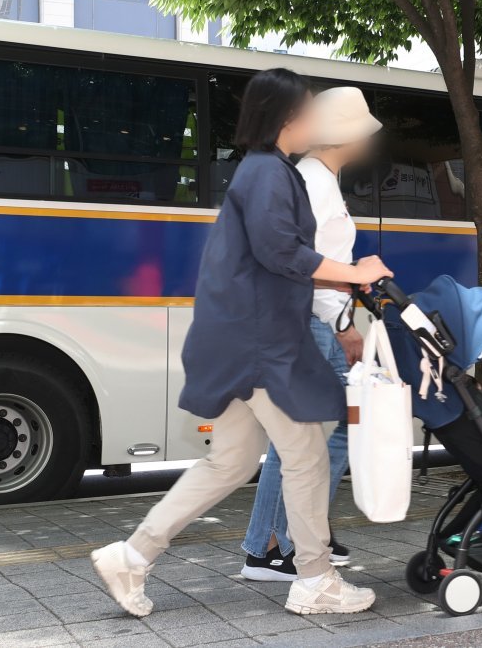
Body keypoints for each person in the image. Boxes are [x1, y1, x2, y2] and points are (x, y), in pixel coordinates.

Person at [89, 69, 393, 618]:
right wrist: (353, 272)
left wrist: (344, 277)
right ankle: (316, 579)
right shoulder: (271, 176)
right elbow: (282, 252)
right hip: (258, 343)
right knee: (305, 456)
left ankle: (132, 556)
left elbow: (277, 260)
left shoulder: (262, 173)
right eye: (306, 113)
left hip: (237, 339)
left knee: (228, 463)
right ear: (287, 120)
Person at [240, 86, 382, 581]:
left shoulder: (316, 180)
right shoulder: (314, 185)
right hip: (312, 323)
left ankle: (285, 539)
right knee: (320, 436)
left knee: (305, 439)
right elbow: (303, 264)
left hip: (311, 321)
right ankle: (281, 544)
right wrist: (345, 324)